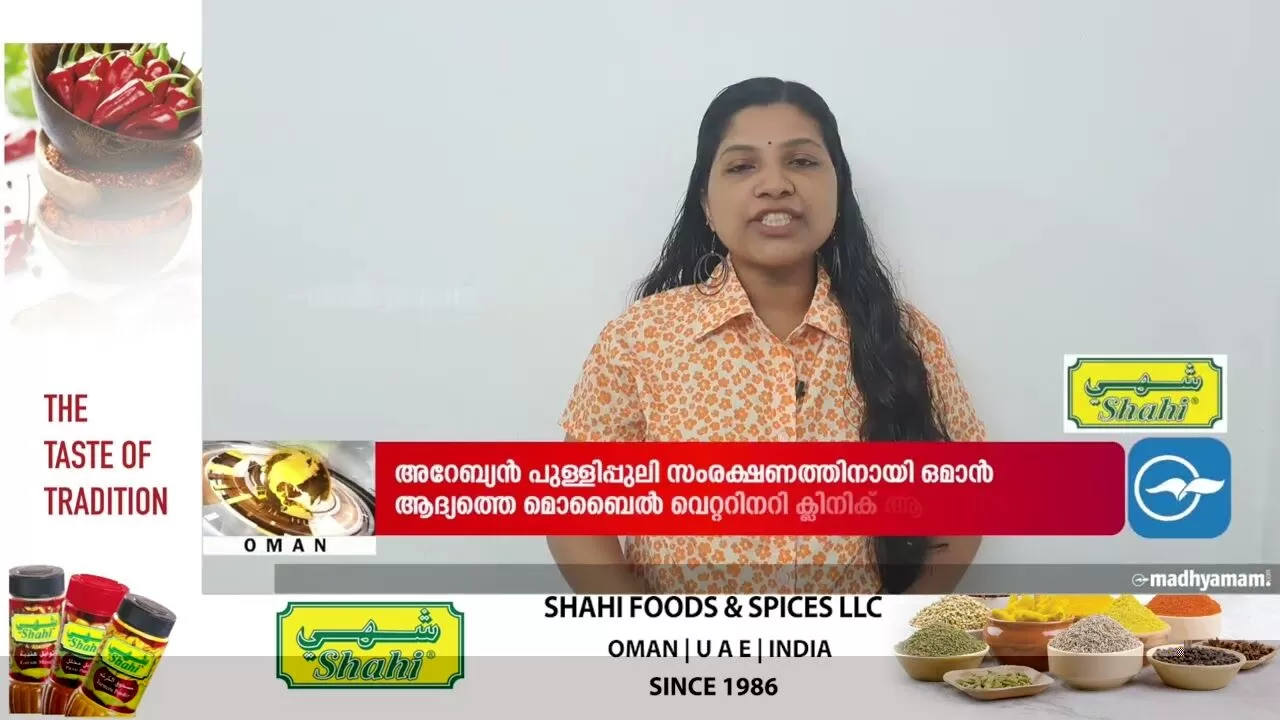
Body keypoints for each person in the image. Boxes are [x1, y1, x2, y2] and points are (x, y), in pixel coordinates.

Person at [549, 77, 984, 595]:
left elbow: (967, 499)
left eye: (801, 161)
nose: (775, 185)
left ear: (839, 191)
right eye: (741, 166)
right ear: (706, 204)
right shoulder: (641, 339)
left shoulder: (907, 337)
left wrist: (893, 627)